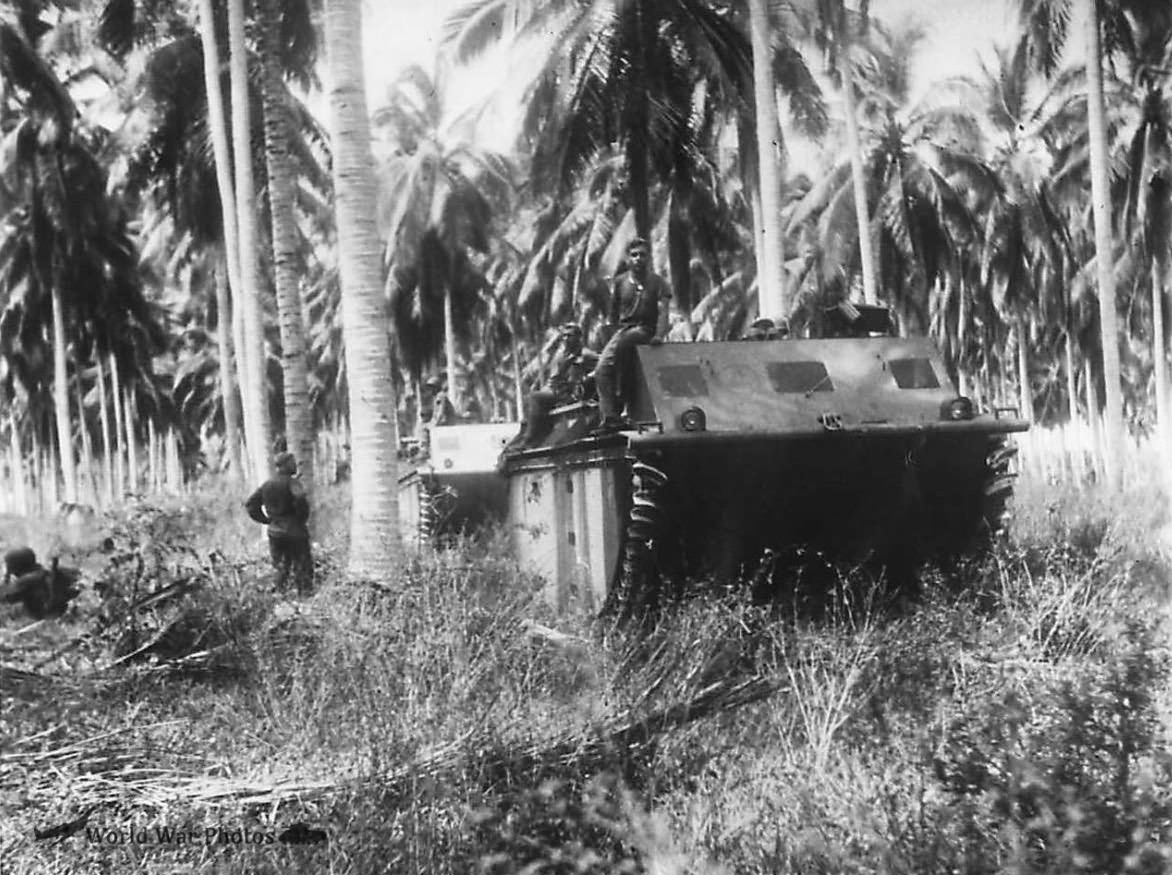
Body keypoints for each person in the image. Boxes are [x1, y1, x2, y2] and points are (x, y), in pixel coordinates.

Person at [592, 237, 673, 433]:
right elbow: (613, 314)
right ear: (628, 259)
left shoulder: (658, 283)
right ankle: (610, 416)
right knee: (601, 369)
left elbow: (663, 312)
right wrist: (608, 335)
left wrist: (659, 335)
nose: (638, 258)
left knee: (627, 343)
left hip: (647, 329)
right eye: (634, 255)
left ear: (649, 258)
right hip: (624, 330)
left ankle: (623, 396)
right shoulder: (620, 282)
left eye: (642, 255)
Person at [510, 323, 599, 450]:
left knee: (536, 397)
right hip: (553, 389)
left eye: (570, 336)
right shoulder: (560, 353)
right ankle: (527, 436)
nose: (566, 339)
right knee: (531, 399)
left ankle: (529, 439)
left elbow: (604, 365)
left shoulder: (585, 354)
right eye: (564, 336)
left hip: (566, 393)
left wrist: (589, 377)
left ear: (579, 337)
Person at [245, 452, 313, 594]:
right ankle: (304, 596)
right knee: (302, 567)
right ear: (285, 465)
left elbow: (251, 505)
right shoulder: (292, 482)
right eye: (292, 462)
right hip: (295, 531)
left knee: (280, 568)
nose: (295, 465)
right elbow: (300, 499)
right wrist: (301, 518)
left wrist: (266, 520)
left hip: (275, 531)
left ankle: (280, 595)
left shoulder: (267, 484)